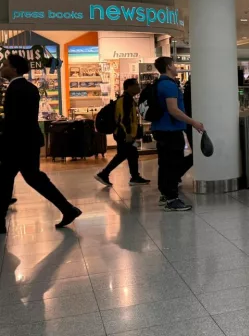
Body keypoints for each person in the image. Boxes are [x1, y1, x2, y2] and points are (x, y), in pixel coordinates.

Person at [0, 55, 82, 233]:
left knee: (15, 178)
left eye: (5, 64)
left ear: (14, 69)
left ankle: (68, 209)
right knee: (26, 178)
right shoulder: (26, 87)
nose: (2, 67)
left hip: (17, 143)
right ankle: (68, 209)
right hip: (25, 141)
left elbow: (15, 120)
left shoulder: (17, 89)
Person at [152, 56, 203, 212]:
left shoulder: (159, 84)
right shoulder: (168, 85)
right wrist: (193, 122)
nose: (176, 67)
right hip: (170, 131)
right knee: (173, 164)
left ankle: (166, 194)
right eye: (174, 65)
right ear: (168, 66)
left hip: (161, 129)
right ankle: (172, 198)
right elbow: (173, 110)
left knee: (165, 164)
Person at [95, 79, 150, 188]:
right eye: (136, 85)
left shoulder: (127, 99)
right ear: (129, 87)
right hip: (123, 134)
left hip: (124, 133)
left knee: (131, 154)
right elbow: (124, 119)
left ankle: (135, 177)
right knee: (123, 154)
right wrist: (128, 133)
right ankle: (104, 174)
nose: (139, 87)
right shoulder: (126, 100)